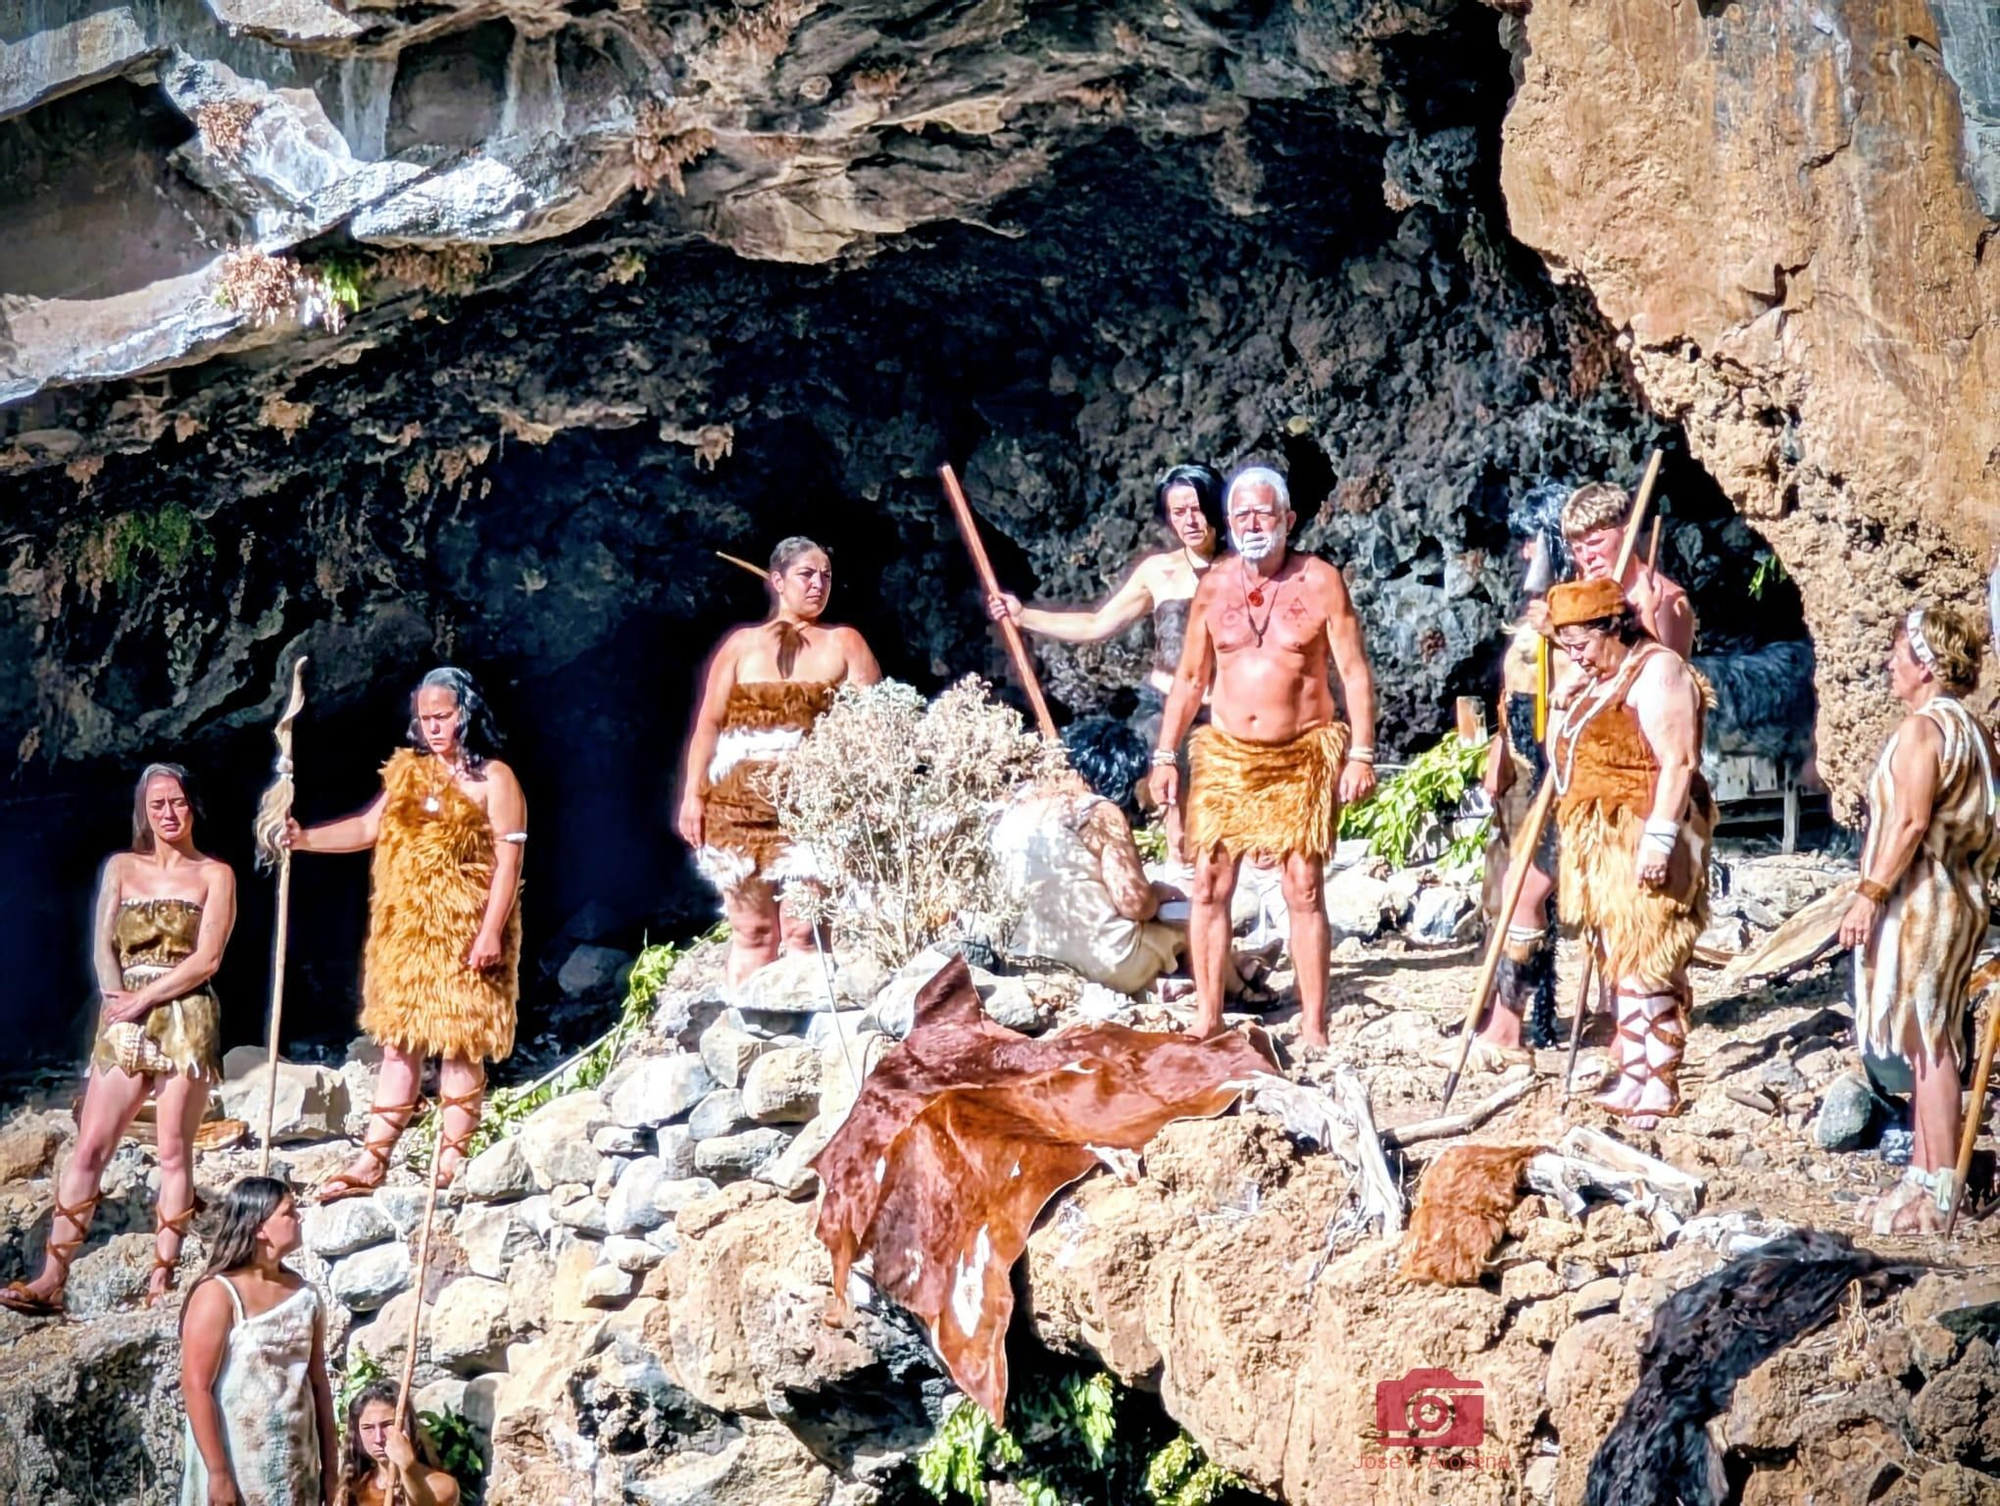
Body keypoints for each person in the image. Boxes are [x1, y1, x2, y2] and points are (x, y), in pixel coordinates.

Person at [1147, 466, 1378, 1048]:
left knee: (1303, 886)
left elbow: (1353, 672)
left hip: (1302, 751)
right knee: (1209, 883)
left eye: (1263, 513)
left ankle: (1315, 1025)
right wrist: (1165, 755)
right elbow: (1191, 678)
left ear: (1287, 519)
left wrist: (1362, 753)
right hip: (1226, 752)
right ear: (1228, 522)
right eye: (1241, 515)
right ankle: (1208, 1017)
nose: (1252, 524)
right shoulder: (1214, 586)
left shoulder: (1320, 581)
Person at [0, 764, 236, 1317]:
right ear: (144, 813)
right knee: (91, 1144)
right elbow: (102, 943)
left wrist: (144, 998)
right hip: (125, 1010)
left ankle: (162, 1280)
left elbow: (208, 958)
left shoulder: (215, 874)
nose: (169, 814)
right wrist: (116, 1001)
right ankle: (52, 1277)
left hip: (185, 1013)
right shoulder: (121, 867)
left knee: (174, 1150)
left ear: (193, 806)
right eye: (158, 805)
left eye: (177, 802)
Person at [284, 668, 524, 1201]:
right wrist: (303, 839)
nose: (434, 727)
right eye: (425, 718)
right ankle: (373, 1160)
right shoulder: (407, 774)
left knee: (461, 1045)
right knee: (399, 1046)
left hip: (465, 931)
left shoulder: (495, 779)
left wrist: (490, 932)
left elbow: (508, 863)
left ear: (466, 713)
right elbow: (366, 828)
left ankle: (451, 1160)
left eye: (443, 716)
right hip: (406, 932)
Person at [1837, 605, 2000, 1235]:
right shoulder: (1974, 732)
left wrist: (1870, 893)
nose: (1889, 665)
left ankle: (1940, 1190)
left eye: (1898, 655)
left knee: (1931, 1041)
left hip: (1926, 899)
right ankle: (1922, 1174)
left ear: (1926, 664)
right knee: (1928, 1035)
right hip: (1960, 896)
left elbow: (1908, 821)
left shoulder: (1923, 731)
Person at [987, 465, 1224, 859]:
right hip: (1165, 708)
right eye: (1178, 512)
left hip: (1228, 707)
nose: (1190, 521)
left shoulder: (1241, 567)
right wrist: (1024, 616)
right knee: (1177, 821)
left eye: (1197, 509)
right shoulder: (1159, 571)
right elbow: (1097, 624)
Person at [676, 536, 882, 987]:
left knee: (804, 930)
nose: (818, 584)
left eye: (826, 576)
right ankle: (746, 1023)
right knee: (753, 933)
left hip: (813, 808)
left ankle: (808, 1021)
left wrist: (866, 796)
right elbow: (709, 723)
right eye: (807, 574)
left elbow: (874, 726)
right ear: (777, 580)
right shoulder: (741, 645)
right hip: (738, 808)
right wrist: (693, 796)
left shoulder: (845, 643)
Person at [1546, 577, 1714, 1126]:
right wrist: (1567, 694)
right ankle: (1635, 1071)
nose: (1576, 656)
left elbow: (1679, 763)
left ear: (1612, 629)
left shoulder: (1659, 671)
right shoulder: (1601, 675)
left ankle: (1661, 1080)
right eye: (1567, 646)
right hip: (1601, 840)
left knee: (1650, 958)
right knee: (1620, 962)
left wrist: (1659, 840)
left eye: (1581, 645)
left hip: (1645, 830)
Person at [992, 717, 1186, 993]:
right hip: (1103, 963)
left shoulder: (1016, 803)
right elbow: (1134, 903)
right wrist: (1157, 894)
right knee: (1191, 927)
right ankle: (1235, 984)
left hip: (1023, 958)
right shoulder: (1099, 812)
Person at [179, 1176, 337, 1506]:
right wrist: (218, 1473)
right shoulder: (218, 1293)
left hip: (295, 1467)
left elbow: (318, 1383)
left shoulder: (305, 1296)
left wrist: (330, 1469)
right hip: (238, 1465)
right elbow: (196, 1386)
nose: (299, 1218)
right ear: (259, 1227)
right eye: (288, 1212)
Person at [1472, 516, 1566, 1064]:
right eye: (1523, 541)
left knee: (1531, 890)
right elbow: (1513, 688)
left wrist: (1561, 632)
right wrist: (1499, 749)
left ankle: (1521, 1022)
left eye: (1536, 540)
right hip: (1523, 759)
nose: (1526, 551)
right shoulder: (1533, 609)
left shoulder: (1583, 611)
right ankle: (1497, 1011)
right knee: (1503, 888)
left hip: (1560, 762)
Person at [1559, 481, 1695, 657]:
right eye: (1578, 549)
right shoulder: (1586, 590)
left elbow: (1667, 669)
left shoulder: (1668, 601)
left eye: (1596, 543)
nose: (1587, 557)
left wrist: (1647, 616)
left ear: (1627, 535)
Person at [337, 1382, 461, 1506]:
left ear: (407, 1426)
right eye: (368, 1428)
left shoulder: (439, 1485)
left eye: (387, 1425)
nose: (378, 1438)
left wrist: (408, 1467)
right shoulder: (355, 1487)